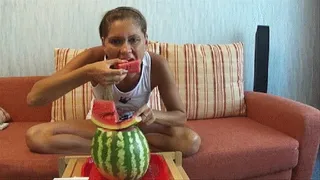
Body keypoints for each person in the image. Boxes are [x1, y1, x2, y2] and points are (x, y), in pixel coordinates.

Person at [26, 6, 201, 157]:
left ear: (146, 41)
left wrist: (155, 114)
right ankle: (123, 152)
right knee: (37, 136)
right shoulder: (92, 58)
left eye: (134, 40)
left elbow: (180, 115)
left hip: (137, 127)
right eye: (116, 41)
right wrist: (88, 72)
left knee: (189, 141)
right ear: (104, 43)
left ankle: (116, 151)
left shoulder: (156, 65)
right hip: (98, 127)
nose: (125, 50)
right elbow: (34, 98)